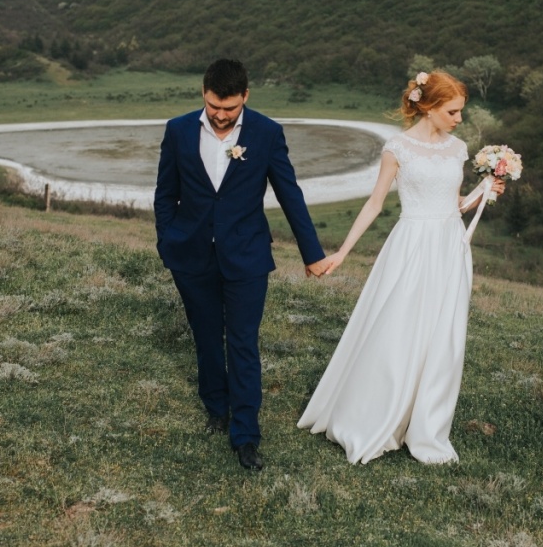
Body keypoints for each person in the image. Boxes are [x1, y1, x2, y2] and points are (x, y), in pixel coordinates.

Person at [297, 70, 505, 465]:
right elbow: (375, 204)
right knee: (398, 330)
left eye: (461, 111)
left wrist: (484, 192)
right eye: (453, 111)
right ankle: (375, 416)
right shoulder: (398, 148)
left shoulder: (458, 149)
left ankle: (427, 427)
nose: (459, 118)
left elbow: (454, 205)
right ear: (429, 107)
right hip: (411, 247)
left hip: (450, 249)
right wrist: (342, 252)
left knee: (443, 338)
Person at [154, 59, 330, 471]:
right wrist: (168, 241)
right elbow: (165, 194)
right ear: (204, 93)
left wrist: (312, 254)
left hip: (247, 256)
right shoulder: (178, 130)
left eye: (229, 108)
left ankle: (246, 434)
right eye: (214, 105)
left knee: (243, 342)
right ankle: (216, 407)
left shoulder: (267, 133)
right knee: (205, 336)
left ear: (245, 97)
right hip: (191, 255)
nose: (220, 115)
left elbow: (289, 194)